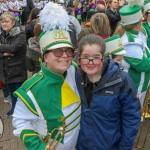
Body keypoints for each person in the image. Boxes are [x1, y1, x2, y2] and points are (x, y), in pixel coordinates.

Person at [12, 2, 81, 150]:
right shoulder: (31, 89)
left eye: (68, 51)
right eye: (57, 51)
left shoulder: (73, 70)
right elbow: (20, 121)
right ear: (45, 57)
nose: (64, 56)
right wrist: (38, 147)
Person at [75, 34, 141, 150]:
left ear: (104, 57)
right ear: (79, 58)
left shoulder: (121, 80)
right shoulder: (74, 78)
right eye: (85, 56)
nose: (90, 62)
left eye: (96, 57)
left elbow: (131, 118)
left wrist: (124, 147)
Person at [114, 0, 150, 107]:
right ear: (138, 22)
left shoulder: (133, 36)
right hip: (134, 88)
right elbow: (144, 65)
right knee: (132, 118)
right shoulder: (130, 41)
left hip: (137, 88)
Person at [0, 11, 27, 116]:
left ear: (13, 22)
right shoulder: (2, 35)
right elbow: (8, 51)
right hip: (6, 71)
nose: (4, 24)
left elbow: (13, 48)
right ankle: (14, 108)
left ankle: (22, 112)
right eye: (2, 22)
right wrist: (3, 54)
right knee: (11, 93)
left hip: (17, 70)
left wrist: (3, 49)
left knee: (19, 93)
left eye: (7, 21)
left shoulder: (20, 34)